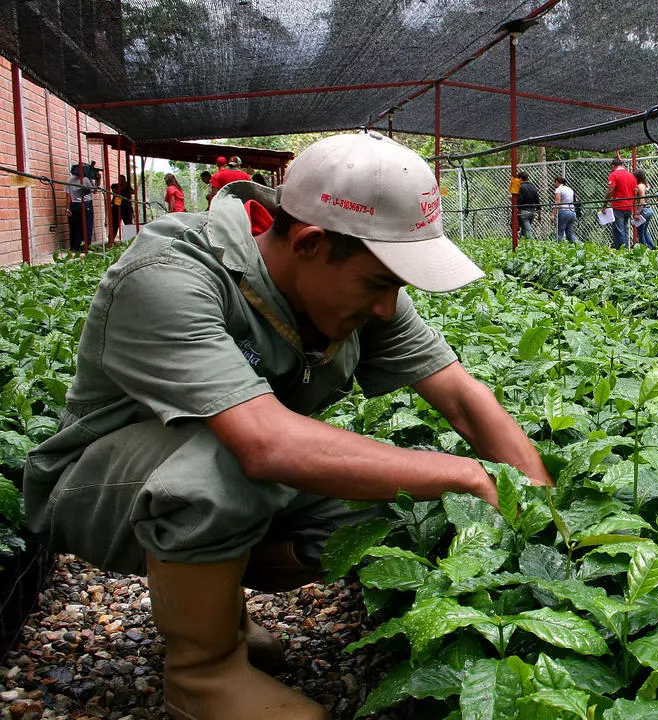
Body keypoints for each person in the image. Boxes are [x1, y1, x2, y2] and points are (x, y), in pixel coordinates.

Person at [23, 131, 554, 719]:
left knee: (397, 505)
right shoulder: (171, 273)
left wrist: (538, 504)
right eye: (379, 283)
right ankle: (201, 673)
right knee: (221, 465)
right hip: (95, 487)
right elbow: (263, 444)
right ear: (309, 243)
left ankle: (215, 602)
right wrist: (465, 475)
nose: (387, 306)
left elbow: (460, 397)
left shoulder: (363, 291)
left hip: (228, 471)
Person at [606, 158, 637, 250]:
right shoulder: (631, 175)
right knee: (624, 229)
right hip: (629, 206)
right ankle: (625, 248)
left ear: (613, 166)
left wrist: (605, 204)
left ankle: (622, 251)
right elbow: (635, 191)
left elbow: (610, 190)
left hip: (618, 205)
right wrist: (633, 203)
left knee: (619, 229)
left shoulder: (613, 175)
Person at [65, 163, 96, 252]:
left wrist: (67, 208)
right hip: (86, 205)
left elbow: (67, 195)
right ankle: (85, 247)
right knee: (87, 226)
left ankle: (74, 247)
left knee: (75, 227)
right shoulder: (85, 179)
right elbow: (94, 191)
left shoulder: (69, 179)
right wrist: (96, 180)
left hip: (74, 205)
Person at [108, 174, 134, 248]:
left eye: (122, 179)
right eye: (120, 179)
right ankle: (111, 242)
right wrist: (125, 186)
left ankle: (130, 242)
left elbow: (133, 192)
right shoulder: (115, 185)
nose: (121, 181)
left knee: (128, 224)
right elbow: (116, 191)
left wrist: (128, 187)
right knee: (114, 225)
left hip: (126, 208)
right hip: (117, 207)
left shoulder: (127, 186)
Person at [513, 171, 541, 240]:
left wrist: (513, 199)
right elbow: (537, 201)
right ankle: (522, 246)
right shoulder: (533, 187)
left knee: (528, 233)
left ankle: (534, 247)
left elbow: (519, 200)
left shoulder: (520, 187)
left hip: (523, 212)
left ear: (520, 179)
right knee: (524, 232)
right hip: (532, 212)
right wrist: (539, 214)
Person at [633, 170, 656, 250]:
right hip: (649, 210)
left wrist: (638, 211)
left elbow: (642, 199)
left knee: (640, 231)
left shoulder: (640, 186)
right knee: (644, 230)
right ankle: (652, 247)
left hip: (644, 210)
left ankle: (642, 248)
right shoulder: (646, 185)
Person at [552, 176, 577, 243]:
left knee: (560, 233)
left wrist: (553, 214)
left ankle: (557, 249)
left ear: (557, 182)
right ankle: (578, 246)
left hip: (564, 212)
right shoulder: (569, 189)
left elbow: (557, 202)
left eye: (554, 182)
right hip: (572, 212)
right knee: (570, 233)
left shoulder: (558, 189)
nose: (553, 184)